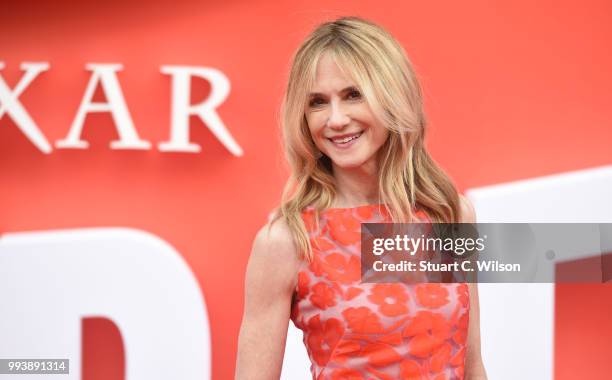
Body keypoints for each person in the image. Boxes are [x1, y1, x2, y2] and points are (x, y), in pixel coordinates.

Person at [236, 16, 487, 380]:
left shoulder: (449, 213)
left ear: (392, 96)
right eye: (318, 103)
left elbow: (472, 363)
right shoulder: (288, 239)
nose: (336, 119)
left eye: (353, 95)